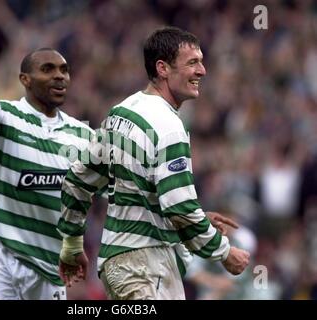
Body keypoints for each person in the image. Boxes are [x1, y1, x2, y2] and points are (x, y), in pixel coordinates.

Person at [57, 27, 250, 300]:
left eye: (202, 61)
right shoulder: (169, 126)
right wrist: (225, 252)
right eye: (192, 62)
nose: (202, 71)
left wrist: (73, 242)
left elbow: (78, 181)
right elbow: (179, 207)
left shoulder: (120, 114)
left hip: (119, 263)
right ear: (162, 68)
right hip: (145, 269)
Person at [0, 44, 93, 299]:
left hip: (49, 262)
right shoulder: (1, 114)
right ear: (25, 79)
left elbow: (86, 198)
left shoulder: (84, 136)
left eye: (64, 70)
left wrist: (74, 244)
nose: (60, 76)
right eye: (48, 69)